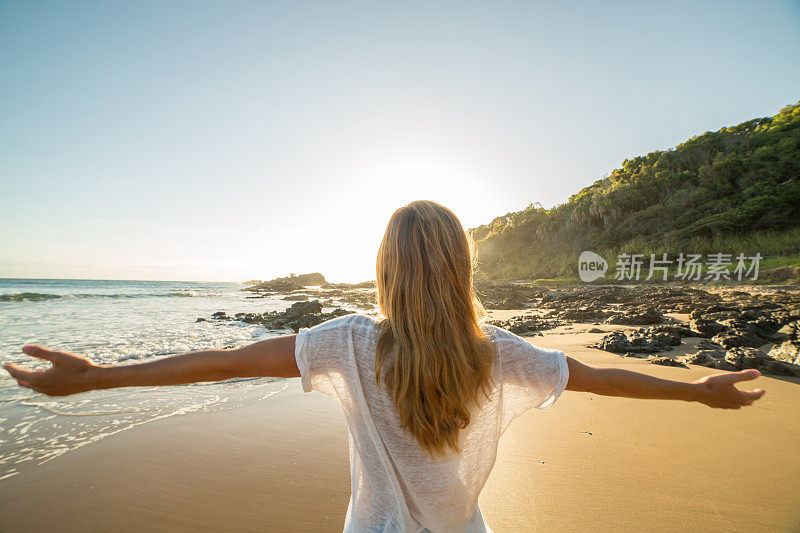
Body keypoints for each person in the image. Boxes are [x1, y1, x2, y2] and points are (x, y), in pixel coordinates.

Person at [4, 200, 765, 532]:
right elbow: (599, 376)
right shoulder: (498, 353)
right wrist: (696, 391)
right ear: (461, 270)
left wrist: (101, 373)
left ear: (385, 271)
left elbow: (225, 360)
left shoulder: (347, 342)